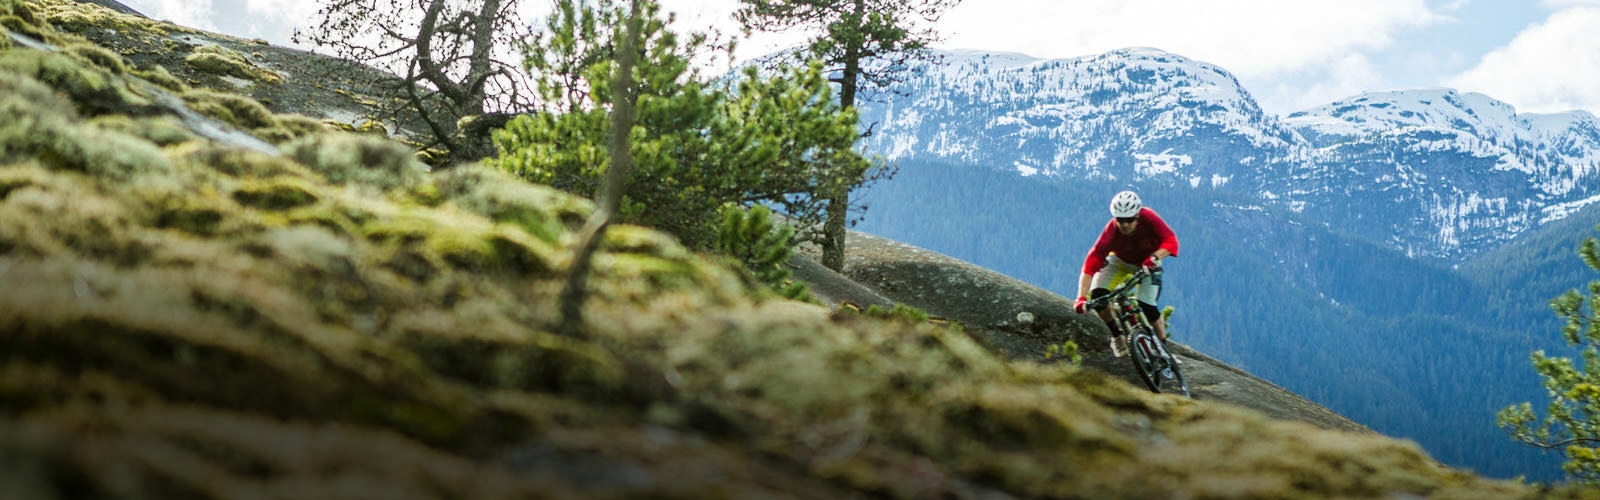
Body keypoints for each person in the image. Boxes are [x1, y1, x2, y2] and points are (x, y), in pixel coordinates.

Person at [1073, 190, 1179, 343]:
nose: (1125, 224)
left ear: (1137, 216)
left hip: (1148, 262)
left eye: (1129, 220)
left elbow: (1171, 240)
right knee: (1098, 297)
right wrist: (1081, 297)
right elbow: (1091, 262)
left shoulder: (1149, 218)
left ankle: (1162, 345)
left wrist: (1155, 257)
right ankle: (1117, 336)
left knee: (1147, 304)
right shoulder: (1111, 231)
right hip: (1119, 261)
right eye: (1120, 220)